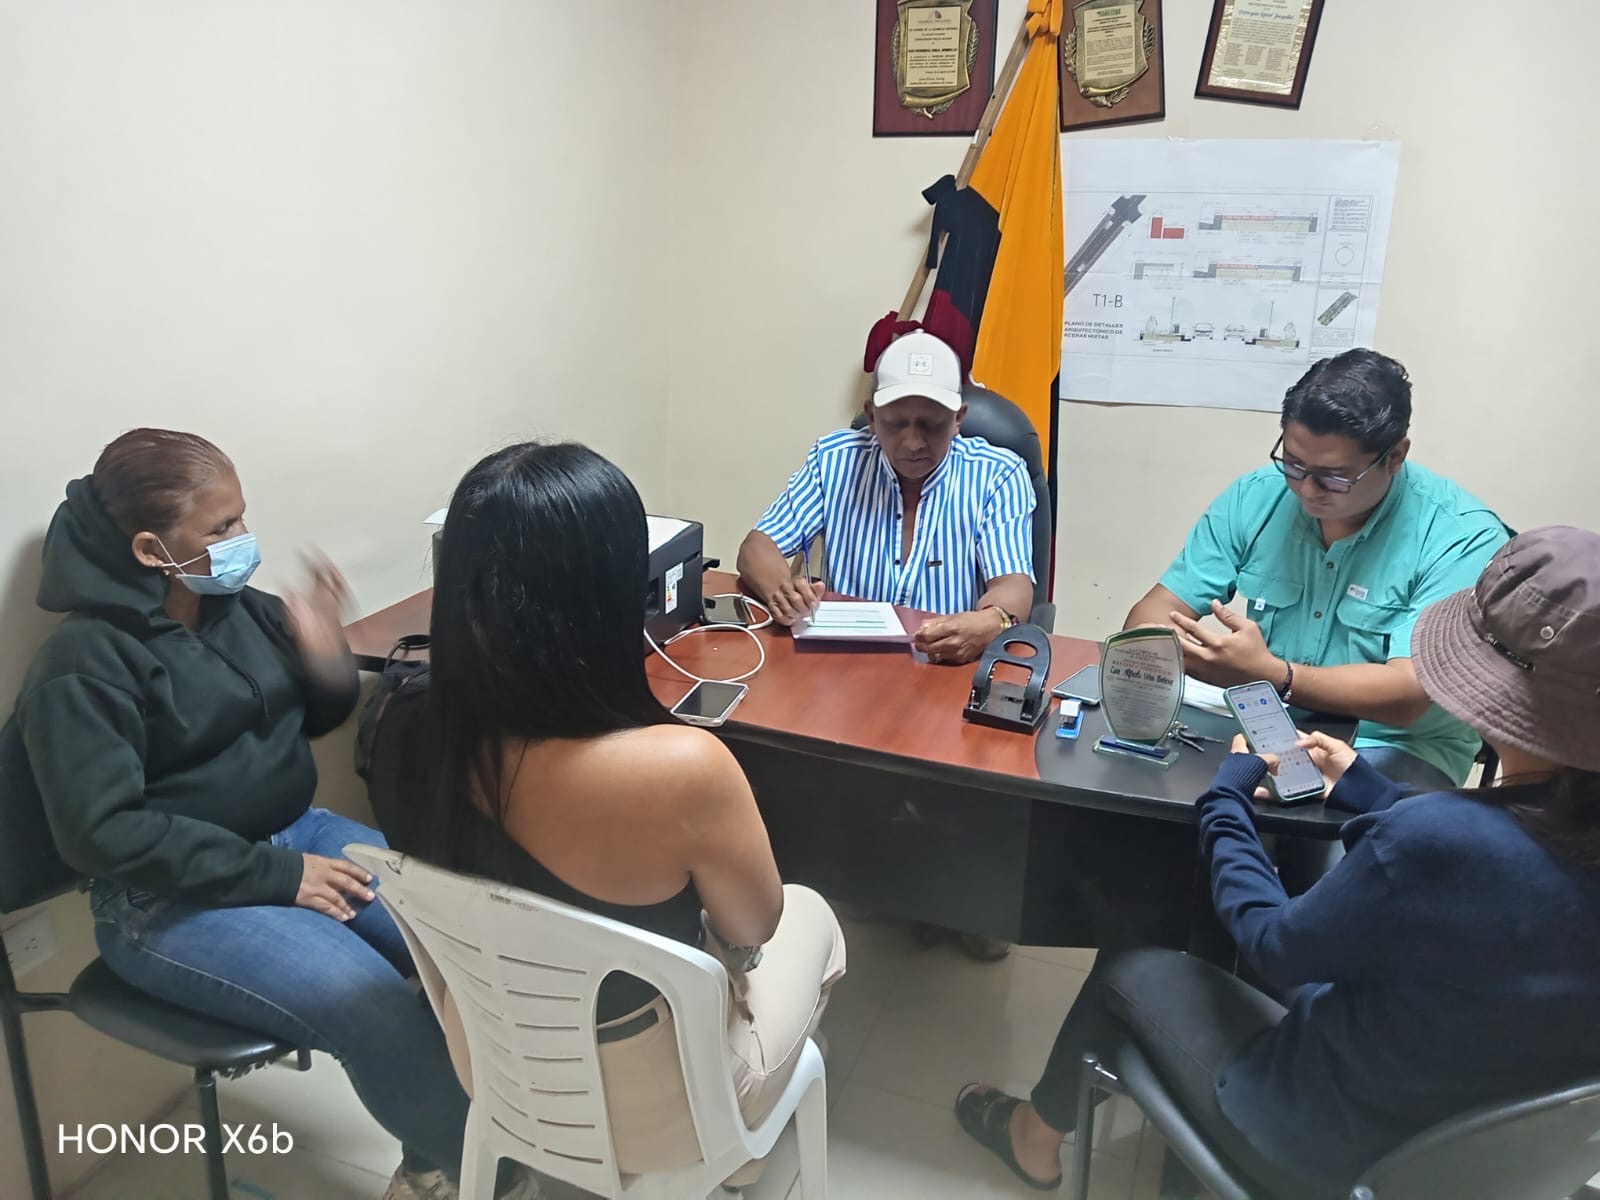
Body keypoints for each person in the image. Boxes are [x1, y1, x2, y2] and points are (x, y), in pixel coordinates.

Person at [955, 526, 1600, 1197]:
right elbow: (1490, 863)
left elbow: (1275, 946)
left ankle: (1032, 1139)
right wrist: (1366, 789)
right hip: (1473, 1161)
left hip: (1320, 1145)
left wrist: (1227, 801)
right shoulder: (1498, 834)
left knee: (1134, 960)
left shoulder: (1434, 839)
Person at [0, 429, 534, 1200]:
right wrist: (280, 876)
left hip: (294, 835)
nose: (243, 540)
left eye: (241, 517)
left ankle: (440, 1156)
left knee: (467, 940)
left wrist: (323, 658)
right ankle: (490, 1176)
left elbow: (309, 720)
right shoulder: (84, 663)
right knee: (375, 1008)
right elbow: (101, 834)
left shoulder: (238, 611)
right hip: (162, 900)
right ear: (151, 550)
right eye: (221, 528)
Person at [381, 441, 846, 1189]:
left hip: (490, 1061)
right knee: (810, 914)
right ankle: (740, 1153)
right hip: (661, 1108)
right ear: (612, 597)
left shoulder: (398, 723)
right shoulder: (683, 768)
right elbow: (753, 927)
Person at [1125, 349, 1508, 792]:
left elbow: (1408, 696)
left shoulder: (1461, 538)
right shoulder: (1257, 496)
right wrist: (1178, 649)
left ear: (1395, 456)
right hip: (1265, 727)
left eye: (1334, 476)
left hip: (1392, 745)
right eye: (1293, 463)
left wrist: (1273, 674)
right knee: (1144, 796)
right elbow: (1150, 618)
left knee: (1328, 829)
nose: (1306, 489)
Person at [737, 325, 1036, 667]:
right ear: (872, 416)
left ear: (958, 418)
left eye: (931, 425)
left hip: (944, 667)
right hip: (841, 667)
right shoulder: (834, 459)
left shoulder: (998, 474)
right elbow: (757, 547)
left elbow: (1014, 585)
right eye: (895, 424)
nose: (913, 443)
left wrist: (993, 621)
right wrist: (783, 591)